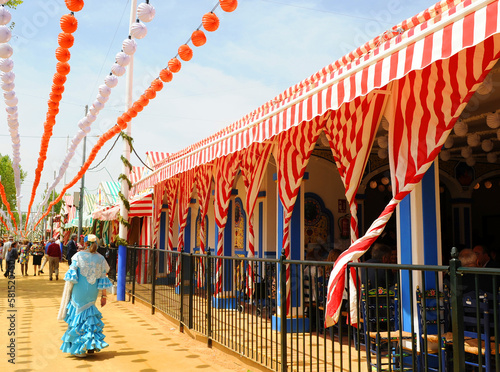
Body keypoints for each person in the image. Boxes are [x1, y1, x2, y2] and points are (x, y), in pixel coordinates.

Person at [59, 234, 112, 357]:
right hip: (92, 292)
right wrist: (104, 297)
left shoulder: (78, 256)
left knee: (77, 314)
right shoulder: (101, 258)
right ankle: (90, 345)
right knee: (89, 316)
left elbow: (71, 276)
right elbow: (103, 278)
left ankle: (79, 348)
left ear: (85, 243)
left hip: (79, 290)